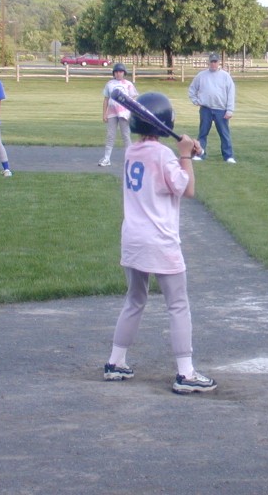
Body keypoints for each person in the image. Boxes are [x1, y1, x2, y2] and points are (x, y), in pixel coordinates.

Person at [103, 91, 217, 394]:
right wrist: (183, 155)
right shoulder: (165, 155)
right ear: (166, 122)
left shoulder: (131, 151)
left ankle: (116, 362)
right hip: (160, 241)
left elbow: (171, 172)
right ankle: (185, 373)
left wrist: (187, 154)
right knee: (178, 304)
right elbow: (187, 189)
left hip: (133, 239)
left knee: (135, 300)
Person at [188, 53, 236, 163]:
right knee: (203, 133)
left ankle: (228, 156)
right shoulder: (201, 75)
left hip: (221, 109)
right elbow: (192, 89)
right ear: (208, 62)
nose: (213, 64)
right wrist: (195, 100)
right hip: (206, 109)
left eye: (215, 61)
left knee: (224, 134)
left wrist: (230, 110)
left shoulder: (225, 76)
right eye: (212, 61)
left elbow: (231, 93)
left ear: (219, 62)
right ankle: (199, 154)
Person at [98, 63, 135, 167]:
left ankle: (130, 159)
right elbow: (106, 99)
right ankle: (106, 158)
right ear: (114, 73)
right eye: (116, 72)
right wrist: (104, 114)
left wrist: (132, 113)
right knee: (110, 135)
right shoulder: (110, 84)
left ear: (124, 73)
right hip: (112, 112)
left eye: (121, 72)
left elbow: (132, 100)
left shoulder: (128, 84)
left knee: (126, 135)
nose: (118, 74)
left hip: (124, 113)